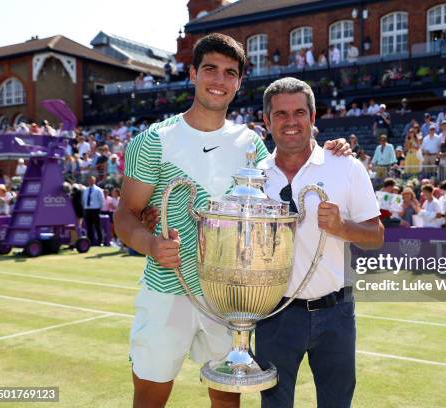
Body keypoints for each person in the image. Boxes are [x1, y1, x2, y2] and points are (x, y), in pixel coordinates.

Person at [116, 34, 351, 408]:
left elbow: (297, 160)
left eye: (230, 73)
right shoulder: (154, 141)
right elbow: (125, 216)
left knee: (227, 400)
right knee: (150, 396)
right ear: (192, 73)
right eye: (210, 69)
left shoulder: (252, 145)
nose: (219, 80)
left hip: (230, 299)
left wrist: (335, 148)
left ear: (239, 82)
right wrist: (150, 244)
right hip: (167, 290)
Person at [255, 77, 384, 408]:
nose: (291, 121)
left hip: (336, 312)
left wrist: (342, 227)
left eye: (299, 112)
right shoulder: (253, 176)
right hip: (274, 314)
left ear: (313, 118)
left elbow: (376, 237)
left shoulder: (345, 166)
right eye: (281, 114)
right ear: (266, 120)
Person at [82, 175, 104, 245]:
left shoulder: (98, 190)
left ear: (94, 181)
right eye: (89, 180)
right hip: (87, 210)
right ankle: (90, 242)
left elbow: (101, 200)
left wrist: (99, 209)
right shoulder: (85, 190)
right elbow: (83, 200)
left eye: (92, 180)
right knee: (89, 227)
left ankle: (100, 241)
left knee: (97, 226)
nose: (90, 181)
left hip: (95, 210)